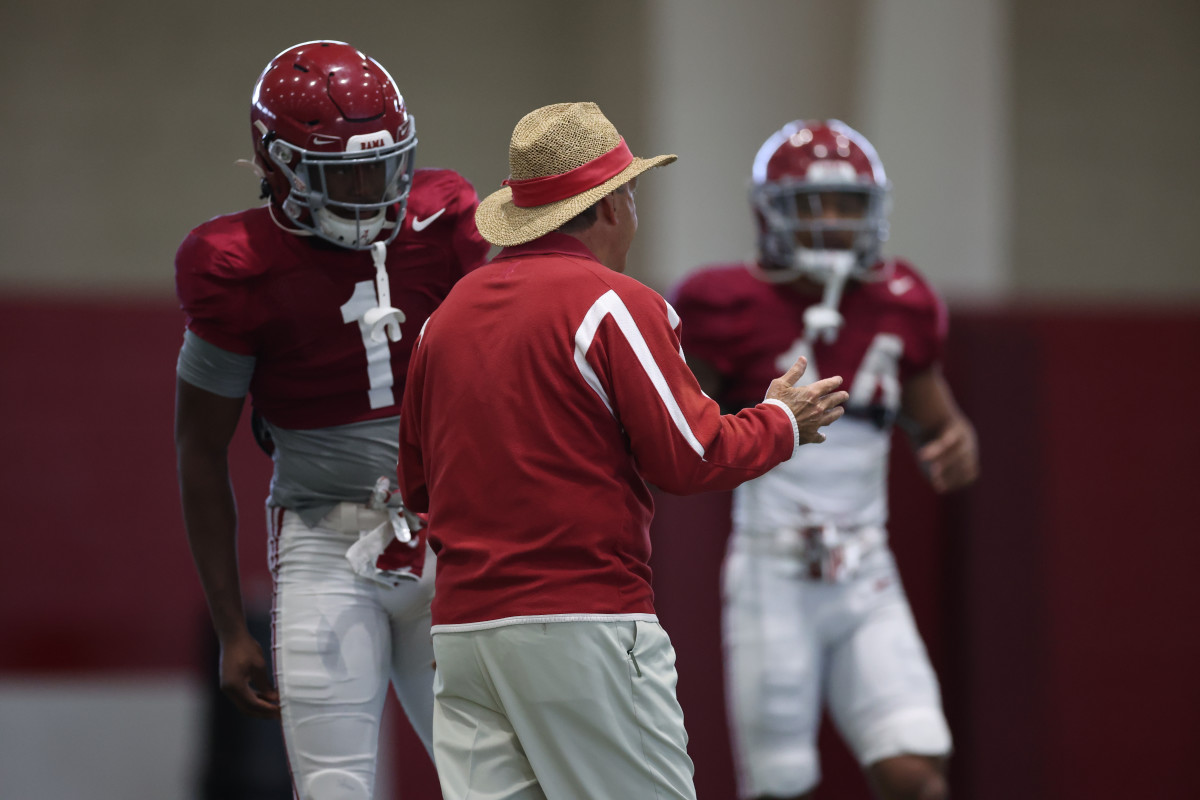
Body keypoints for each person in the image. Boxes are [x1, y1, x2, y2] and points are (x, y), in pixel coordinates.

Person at [396, 101, 850, 800]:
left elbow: (419, 487)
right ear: (612, 205)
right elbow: (692, 454)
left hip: (463, 635)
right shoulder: (616, 304)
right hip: (582, 625)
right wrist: (781, 421)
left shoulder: (444, 318)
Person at [173, 40, 489, 800]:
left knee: (492, 782)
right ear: (277, 165)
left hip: (448, 539)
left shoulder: (444, 220)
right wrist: (229, 626)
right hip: (324, 544)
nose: (368, 191)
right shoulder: (235, 264)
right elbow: (199, 449)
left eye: (382, 167)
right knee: (335, 788)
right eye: (342, 172)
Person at [669, 119, 980, 800]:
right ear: (773, 213)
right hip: (772, 571)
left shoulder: (903, 301)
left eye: (849, 206)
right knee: (781, 784)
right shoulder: (723, 303)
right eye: (817, 206)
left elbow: (940, 424)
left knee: (916, 768)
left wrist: (954, 445)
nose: (836, 223)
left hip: (866, 567)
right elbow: (678, 429)